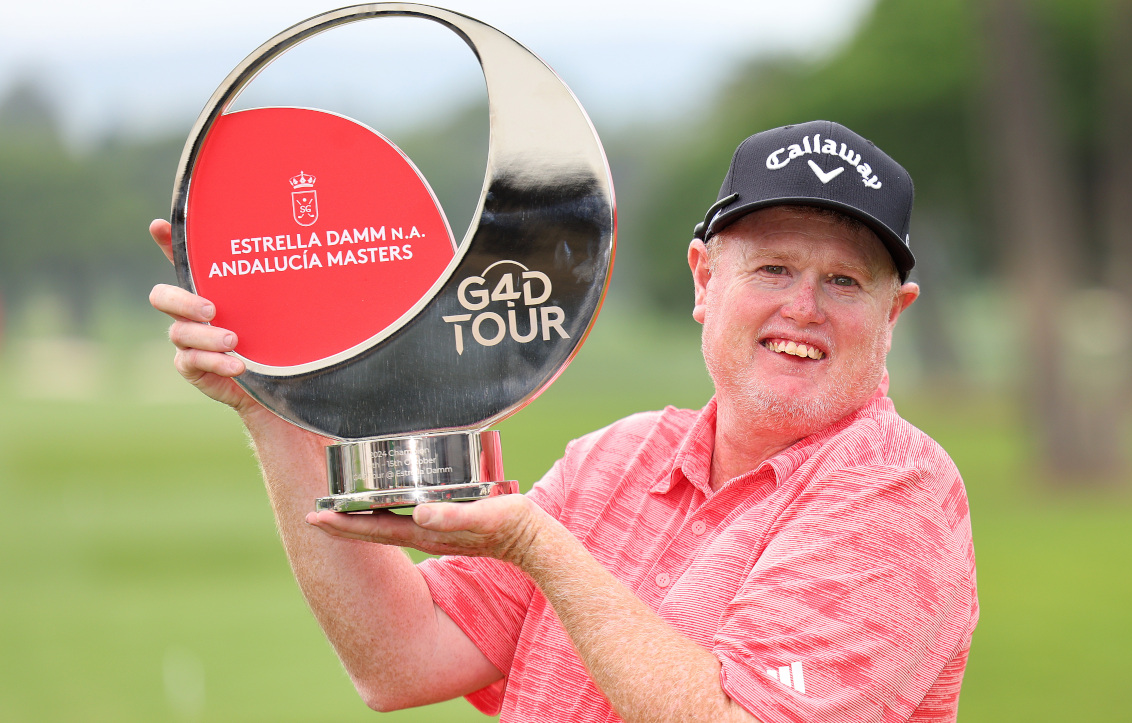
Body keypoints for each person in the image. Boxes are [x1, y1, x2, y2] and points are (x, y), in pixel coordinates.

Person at [148, 120, 977, 722]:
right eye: (773, 266)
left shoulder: (896, 493)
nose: (803, 307)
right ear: (702, 278)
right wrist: (272, 410)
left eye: (845, 281)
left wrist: (537, 546)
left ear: (894, 310)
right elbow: (400, 659)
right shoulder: (618, 459)